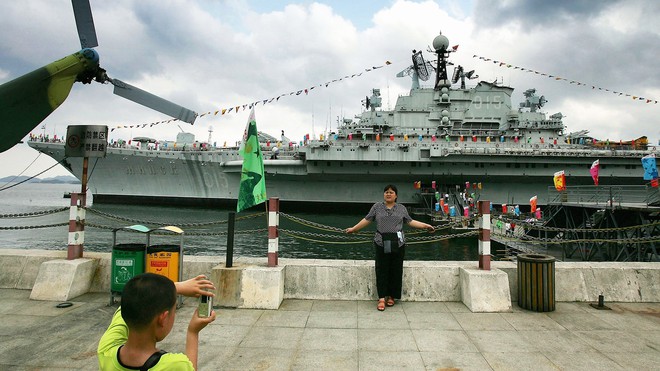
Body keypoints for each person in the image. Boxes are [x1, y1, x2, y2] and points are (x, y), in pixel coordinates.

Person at [98, 273, 217, 370]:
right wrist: (193, 332)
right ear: (163, 319)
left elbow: (131, 303)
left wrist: (172, 289)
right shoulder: (175, 365)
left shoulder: (106, 350)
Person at [346, 184, 435, 311]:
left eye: (391, 192)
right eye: (386, 192)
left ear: (396, 195)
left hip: (398, 242)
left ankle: (392, 296)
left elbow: (410, 221)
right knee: (381, 269)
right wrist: (354, 229)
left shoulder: (402, 208)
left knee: (396, 269)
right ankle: (382, 298)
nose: (388, 194)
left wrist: (425, 225)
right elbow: (367, 219)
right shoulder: (377, 207)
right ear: (384, 194)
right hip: (381, 241)